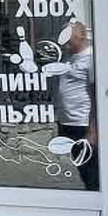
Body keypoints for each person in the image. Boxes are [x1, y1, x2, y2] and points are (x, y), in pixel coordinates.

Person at [44, 19, 98, 190]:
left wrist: (93, 130)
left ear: (81, 36)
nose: (65, 43)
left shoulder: (91, 59)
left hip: (83, 124)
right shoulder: (70, 58)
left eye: (68, 38)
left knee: (91, 171)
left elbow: (96, 96)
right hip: (68, 123)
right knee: (82, 167)